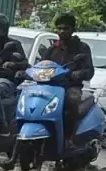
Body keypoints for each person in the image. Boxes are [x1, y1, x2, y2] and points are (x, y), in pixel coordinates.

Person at [38, 12, 94, 148]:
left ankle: (69, 137)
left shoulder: (82, 48)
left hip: (70, 87)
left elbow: (89, 71)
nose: (62, 31)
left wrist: (77, 74)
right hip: (50, 87)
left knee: (72, 100)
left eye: (66, 28)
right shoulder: (52, 49)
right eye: (60, 28)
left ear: (73, 29)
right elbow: (41, 66)